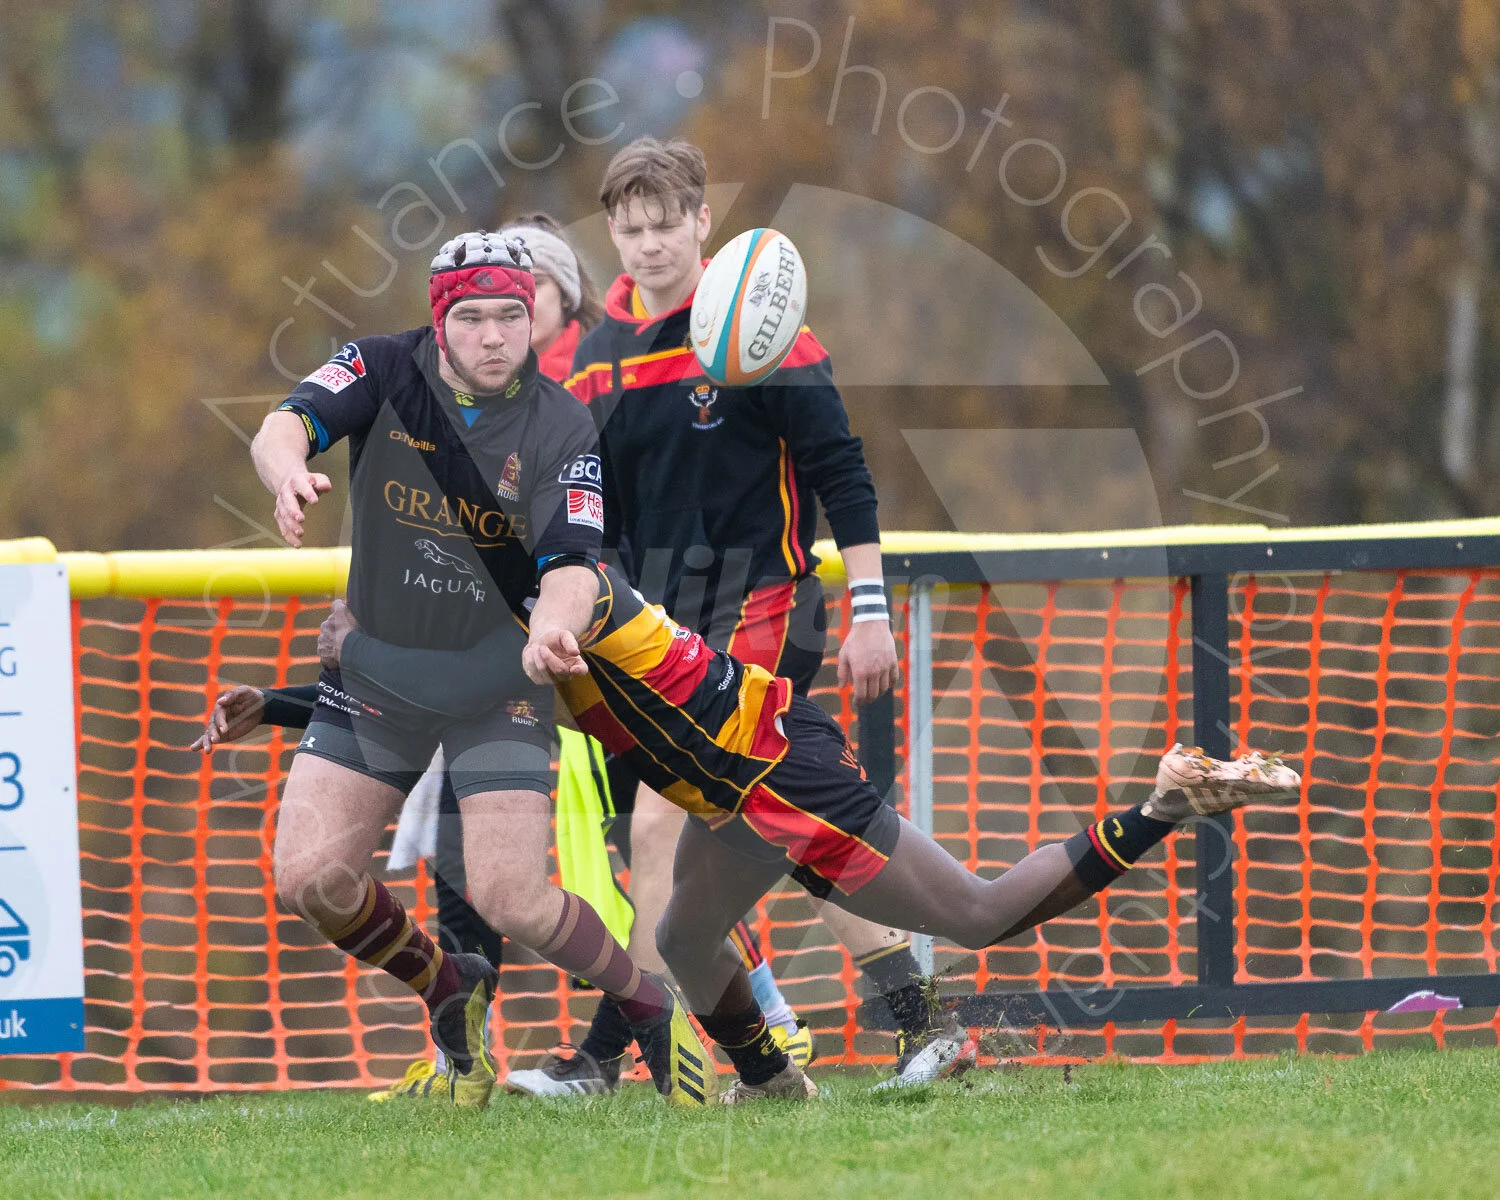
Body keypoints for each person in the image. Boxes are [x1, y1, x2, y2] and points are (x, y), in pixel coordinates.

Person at [315, 559, 1300, 1102]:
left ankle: (1166, 801)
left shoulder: (569, 592)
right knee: (684, 940)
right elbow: (434, 695)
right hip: (728, 799)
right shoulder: (502, 634)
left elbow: (568, 604)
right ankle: (777, 1090)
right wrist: (303, 692)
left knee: (976, 915)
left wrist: (365, 639)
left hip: (782, 776)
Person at [241, 229, 715, 1109]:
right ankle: (447, 987)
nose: (495, 336)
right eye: (473, 317)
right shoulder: (381, 369)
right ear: (439, 320)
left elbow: (575, 561)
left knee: (514, 898)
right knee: (311, 879)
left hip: (499, 678)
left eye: (513, 314)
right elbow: (283, 425)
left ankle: (652, 1009)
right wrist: (287, 474)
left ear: (534, 317)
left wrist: (555, 633)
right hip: (379, 677)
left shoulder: (562, 421)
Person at [532, 135, 946, 1096]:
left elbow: (844, 473)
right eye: (627, 229)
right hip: (650, 629)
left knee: (661, 829)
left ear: (702, 221)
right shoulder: (593, 361)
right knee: (774, 828)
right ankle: (911, 1024)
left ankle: (622, 1054)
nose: (645, 246)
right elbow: (587, 508)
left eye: (664, 224)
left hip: (767, 609)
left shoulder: (765, 329)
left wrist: (871, 612)